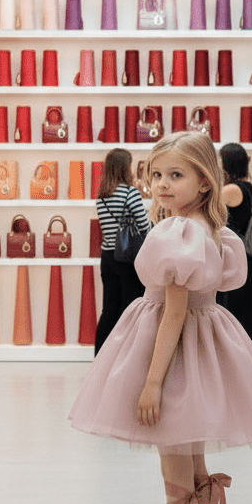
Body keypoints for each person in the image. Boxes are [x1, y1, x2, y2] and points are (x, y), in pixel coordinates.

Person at [69, 131, 252, 504]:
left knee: (175, 468)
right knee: (195, 464)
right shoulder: (214, 232)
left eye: (176, 175)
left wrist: (151, 381)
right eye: (157, 174)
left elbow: (172, 310)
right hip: (205, 345)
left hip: (176, 351)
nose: (162, 184)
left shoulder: (176, 231)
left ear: (205, 182)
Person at [94, 148, 151, 355]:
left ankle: (101, 356)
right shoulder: (130, 193)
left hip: (107, 257)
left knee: (109, 310)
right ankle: (127, 357)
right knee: (131, 309)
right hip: (127, 257)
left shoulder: (101, 197)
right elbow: (145, 226)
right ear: (124, 169)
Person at [215, 142, 252, 346]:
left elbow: (213, 217)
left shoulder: (230, 190)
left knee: (230, 312)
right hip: (248, 257)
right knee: (246, 312)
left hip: (232, 257)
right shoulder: (250, 188)